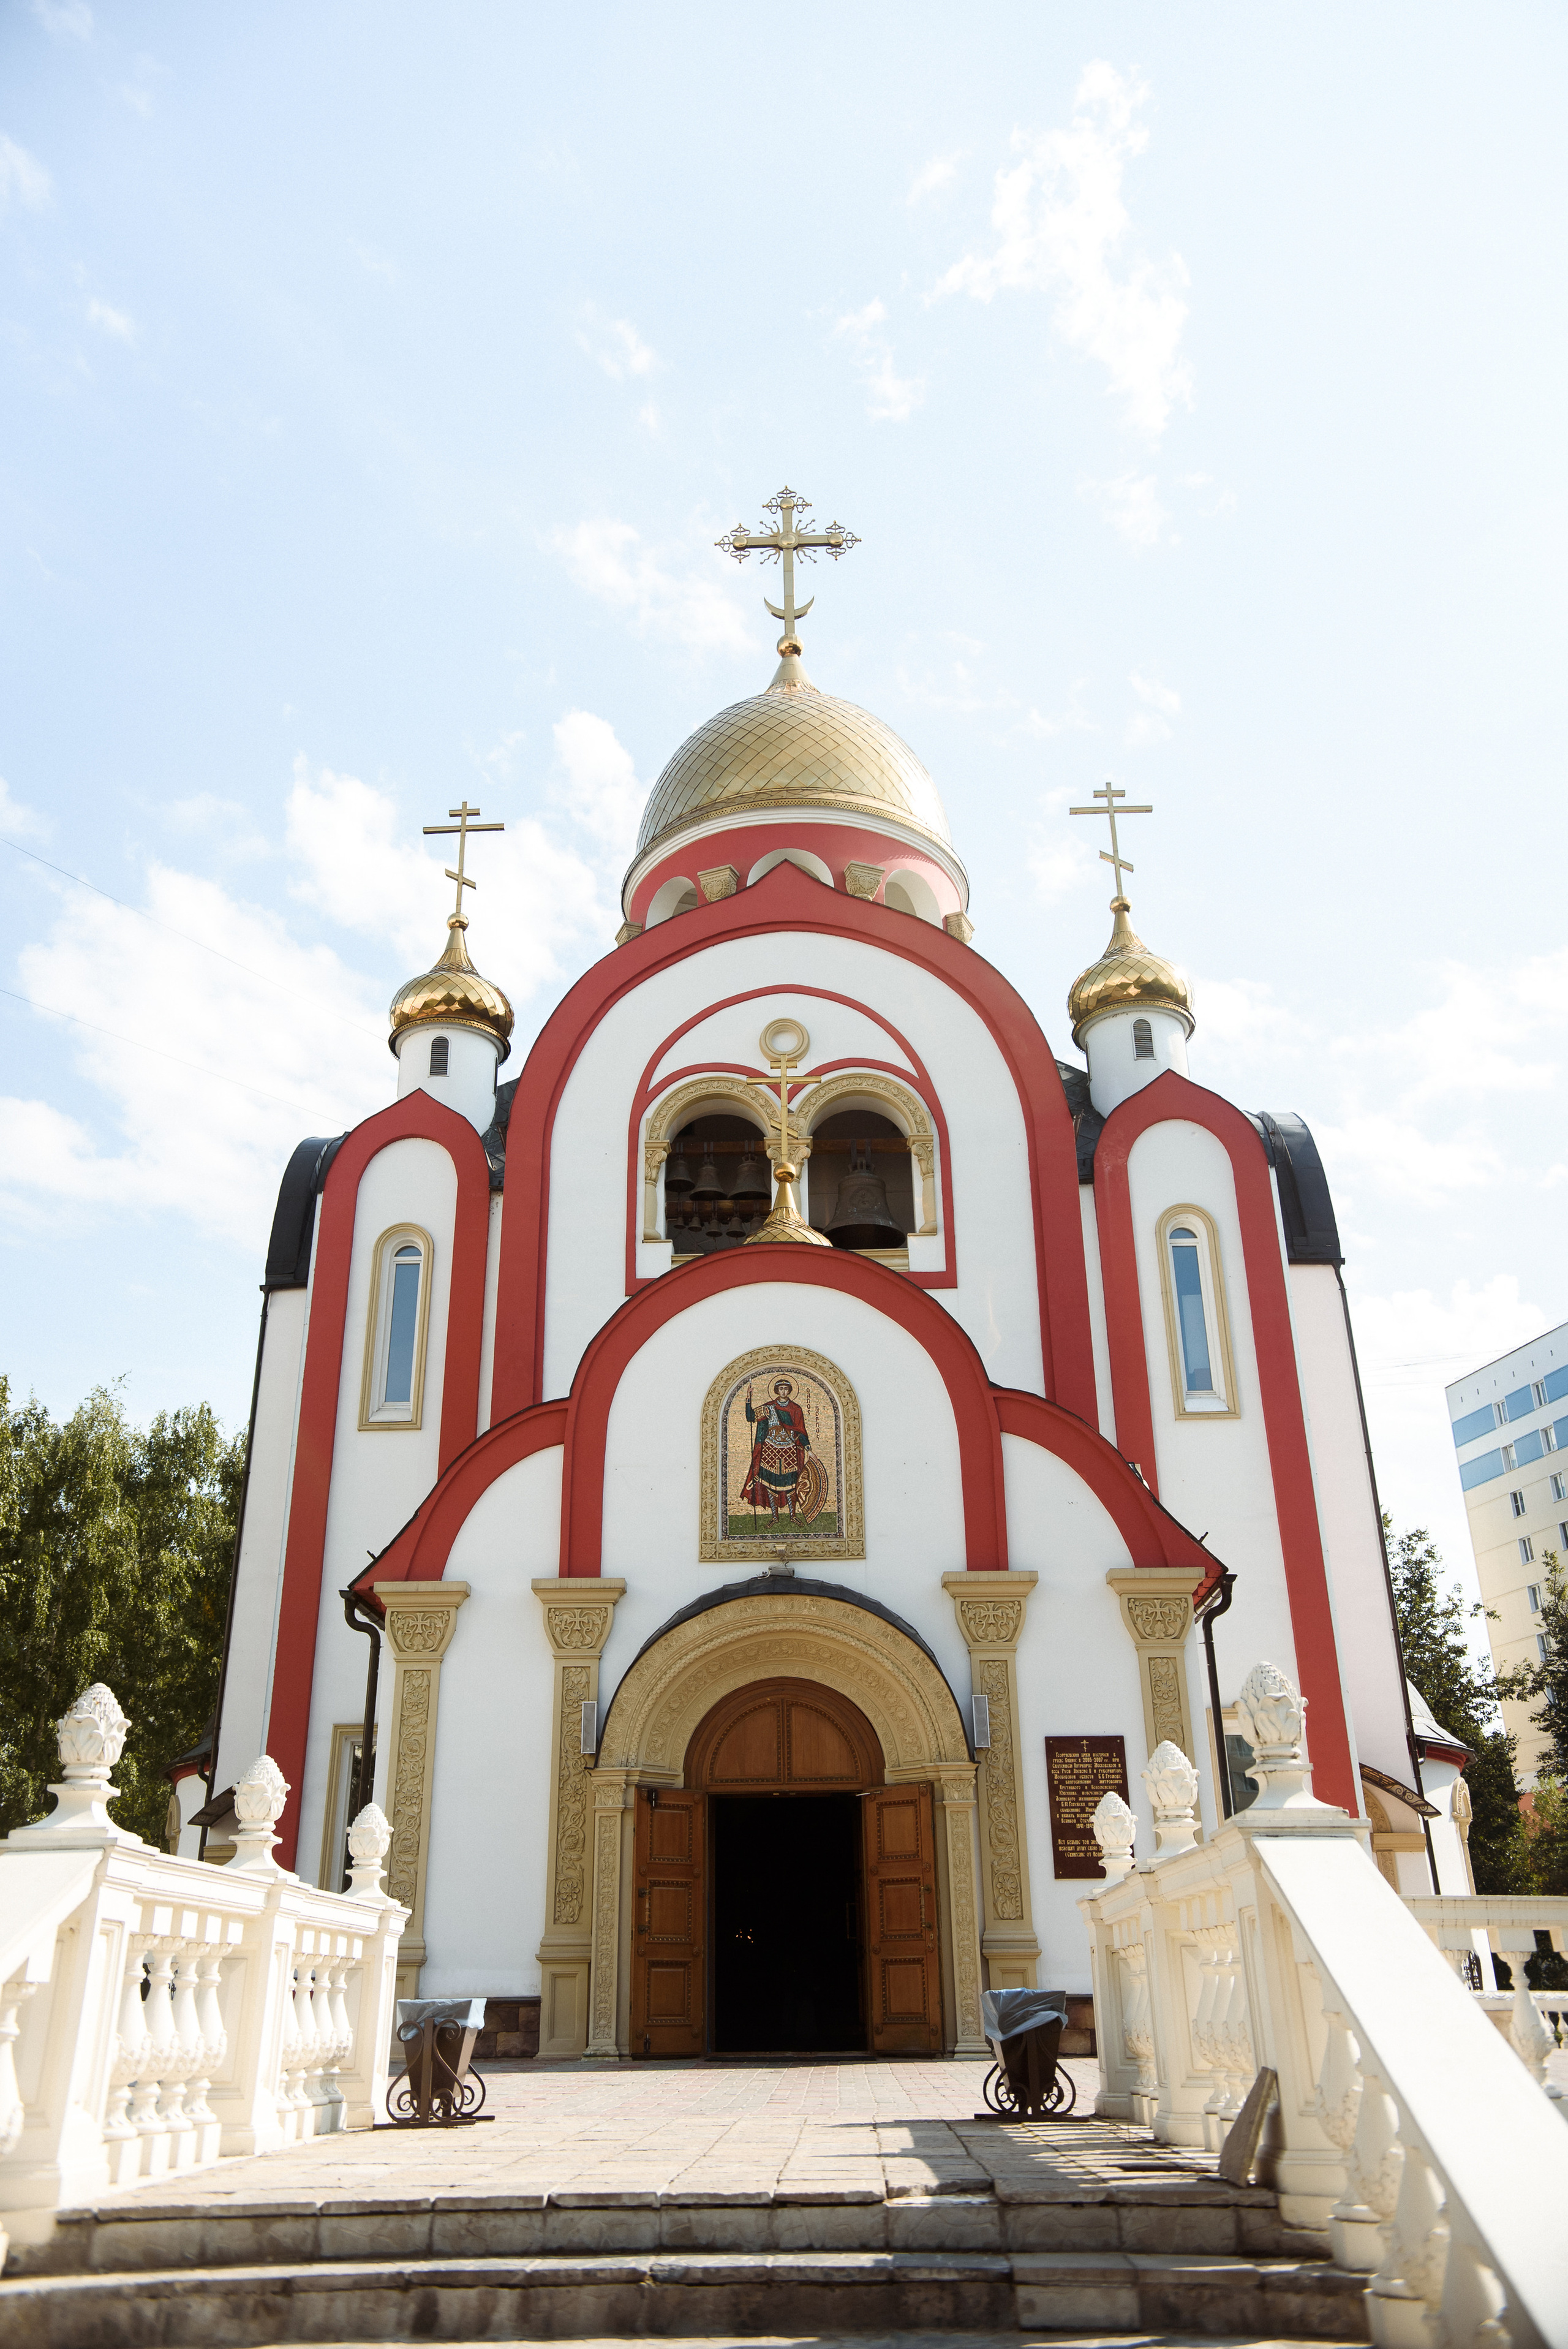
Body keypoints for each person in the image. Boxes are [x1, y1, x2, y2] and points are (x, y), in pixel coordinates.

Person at [741, 1378, 810, 1522]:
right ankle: (775, 1517)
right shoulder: (768, 1407)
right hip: (770, 1450)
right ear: (777, 1390)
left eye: (786, 1388)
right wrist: (748, 1399)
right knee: (770, 1483)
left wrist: (809, 1449)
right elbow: (750, 1417)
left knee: (791, 1484)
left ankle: (793, 1516)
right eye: (781, 1389)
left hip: (789, 1451)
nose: (783, 1391)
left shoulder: (796, 1409)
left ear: (790, 1391)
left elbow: (801, 1431)